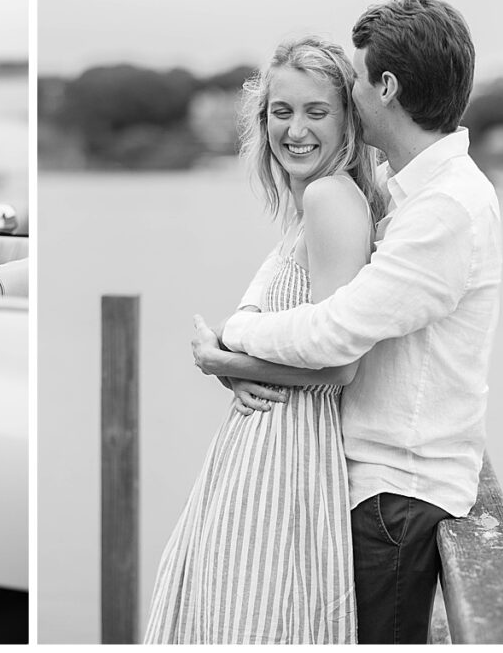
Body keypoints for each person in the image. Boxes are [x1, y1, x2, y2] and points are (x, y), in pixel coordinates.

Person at [195, 0, 501, 644]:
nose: (349, 92)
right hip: (368, 482)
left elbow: (334, 338)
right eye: (283, 111)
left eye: (353, 82)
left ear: (385, 86)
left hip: (398, 493)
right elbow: (308, 303)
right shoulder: (404, 189)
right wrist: (236, 351)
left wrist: (229, 343)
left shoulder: (443, 208)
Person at [144, 36, 384, 644]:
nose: (295, 130)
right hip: (264, 454)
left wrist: (222, 359)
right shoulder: (312, 207)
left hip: (288, 456)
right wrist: (233, 366)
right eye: (282, 112)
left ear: (348, 120)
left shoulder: (332, 199)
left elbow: (341, 366)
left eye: (316, 111)